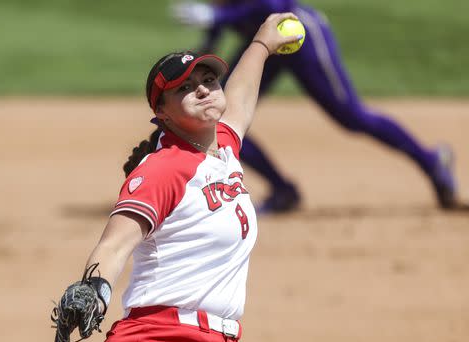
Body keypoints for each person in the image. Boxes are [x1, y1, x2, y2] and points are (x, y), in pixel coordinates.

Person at [49, 13, 303, 342]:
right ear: (161, 112)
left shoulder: (222, 149)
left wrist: (261, 43)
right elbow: (116, 241)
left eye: (208, 79)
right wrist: (95, 288)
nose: (203, 88)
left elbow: (240, 102)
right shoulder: (164, 168)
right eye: (185, 87)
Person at [169, 0, 458, 212]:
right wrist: (205, 45)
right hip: (260, 44)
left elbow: (274, 3)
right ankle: (283, 191)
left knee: (350, 116)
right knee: (219, 119)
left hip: (299, 34)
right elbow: (216, 25)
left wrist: (217, 16)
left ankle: (432, 161)